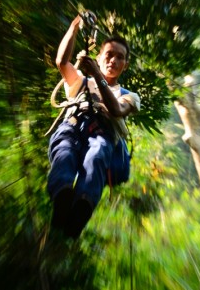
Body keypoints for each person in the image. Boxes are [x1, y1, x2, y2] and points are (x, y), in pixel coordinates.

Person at [47, 13, 140, 238]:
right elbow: (61, 62)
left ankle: (83, 206)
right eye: (109, 55)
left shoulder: (130, 96)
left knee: (97, 154)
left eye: (120, 57)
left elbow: (117, 111)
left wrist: (97, 75)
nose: (113, 61)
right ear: (99, 56)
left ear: (125, 65)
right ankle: (62, 197)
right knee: (64, 152)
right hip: (72, 126)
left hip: (102, 134)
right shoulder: (81, 82)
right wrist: (75, 25)